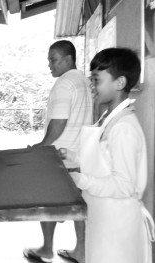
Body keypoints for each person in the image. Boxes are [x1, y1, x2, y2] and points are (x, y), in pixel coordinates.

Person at [61, 48, 154, 263]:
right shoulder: (109, 118)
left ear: (120, 83)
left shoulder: (124, 128)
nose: (92, 87)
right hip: (102, 216)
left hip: (118, 224)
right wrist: (73, 157)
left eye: (96, 80)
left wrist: (79, 179)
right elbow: (102, 160)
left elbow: (123, 185)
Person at [23, 40, 93, 263]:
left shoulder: (64, 83)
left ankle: (46, 249)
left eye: (53, 60)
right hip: (79, 155)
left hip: (60, 155)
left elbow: (59, 121)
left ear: (68, 59)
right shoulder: (83, 81)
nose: (49, 65)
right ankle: (80, 252)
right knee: (78, 205)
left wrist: (42, 147)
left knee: (47, 202)